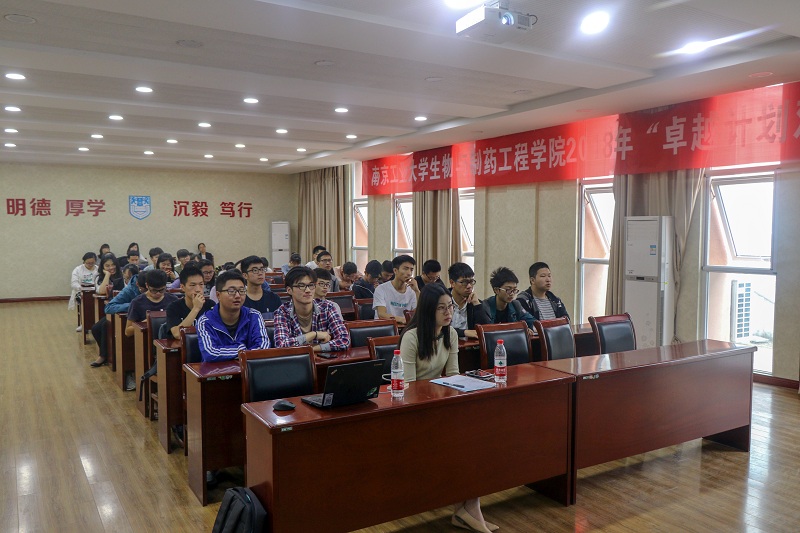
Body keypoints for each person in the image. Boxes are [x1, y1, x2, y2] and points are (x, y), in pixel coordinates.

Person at [398, 283, 498, 533]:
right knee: (462, 445)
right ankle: (467, 510)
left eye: (450, 307)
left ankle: (469, 508)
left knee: (476, 437)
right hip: (415, 410)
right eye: (441, 308)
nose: (448, 312)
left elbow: (453, 374)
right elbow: (409, 386)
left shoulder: (450, 333)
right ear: (428, 310)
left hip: (439, 403)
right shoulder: (411, 337)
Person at [196, 270, 270, 362]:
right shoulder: (205, 321)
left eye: (242, 290)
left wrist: (240, 353)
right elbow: (210, 353)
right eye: (231, 291)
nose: (238, 295)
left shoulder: (254, 315)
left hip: (249, 369)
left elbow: (263, 347)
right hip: (218, 370)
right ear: (218, 295)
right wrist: (242, 350)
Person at [273, 266, 350, 352]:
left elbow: (344, 340)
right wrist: (314, 334)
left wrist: (312, 349)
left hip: (321, 358)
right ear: (289, 290)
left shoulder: (327, 307)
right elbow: (281, 346)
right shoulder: (282, 312)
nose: (308, 290)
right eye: (301, 286)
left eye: (311, 285)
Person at [90, 269, 145, 367]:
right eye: (145, 289)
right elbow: (109, 307)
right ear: (138, 284)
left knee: (104, 326)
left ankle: (107, 356)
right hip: (126, 315)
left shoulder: (159, 288)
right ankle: (106, 355)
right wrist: (133, 306)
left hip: (139, 317)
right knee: (97, 328)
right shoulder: (129, 289)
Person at [166, 265, 215, 339]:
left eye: (201, 284)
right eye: (193, 285)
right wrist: (196, 308)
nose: (198, 289)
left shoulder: (210, 305)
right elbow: (177, 334)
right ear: (182, 287)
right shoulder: (173, 307)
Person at [125, 269, 178, 336]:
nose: (158, 293)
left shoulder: (173, 300)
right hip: (145, 337)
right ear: (147, 285)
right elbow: (128, 332)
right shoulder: (137, 302)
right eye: (154, 290)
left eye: (162, 290)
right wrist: (145, 323)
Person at [373, 255, 419, 324]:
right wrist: (402, 319)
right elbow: (382, 315)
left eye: (411, 270)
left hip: (405, 327)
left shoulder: (412, 291)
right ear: (395, 270)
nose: (409, 273)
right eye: (405, 269)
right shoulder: (381, 289)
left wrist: (417, 291)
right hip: (385, 327)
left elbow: (418, 314)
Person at [447, 262, 488, 339]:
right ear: (452, 283)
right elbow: (438, 329)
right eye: (464, 282)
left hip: (469, 346)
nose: (469, 286)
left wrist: (477, 305)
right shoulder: (442, 302)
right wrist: (464, 332)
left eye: (471, 282)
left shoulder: (476, 303)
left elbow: (485, 330)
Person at [69, 252, 98, 317]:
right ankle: (86, 319)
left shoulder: (98, 269)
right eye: (88, 263)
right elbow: (74, 283)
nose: (90, 265)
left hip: (95, 292)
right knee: (87, 301)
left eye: (92, 263)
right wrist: (82, 288)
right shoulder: (78, 270)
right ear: (84, 262)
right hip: (81, 292)